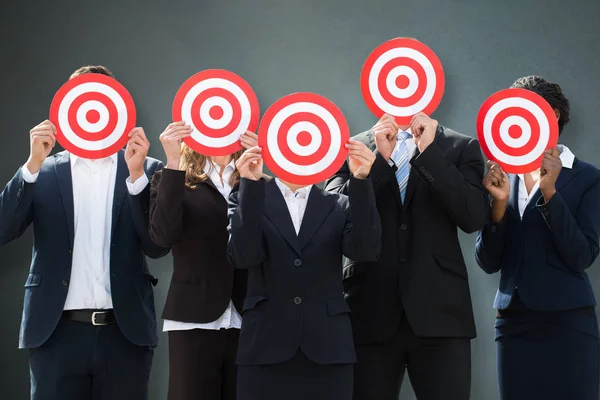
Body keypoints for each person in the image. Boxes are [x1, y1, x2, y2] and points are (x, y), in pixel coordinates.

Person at [0, 65, 169, 400]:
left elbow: (157, 247)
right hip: (55, 334)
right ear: (66, 108)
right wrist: (31, 166)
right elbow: (4, 229)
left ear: (117, 106)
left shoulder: (147, 168)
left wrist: (136, 179)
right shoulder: (43, 171)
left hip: (125, 335)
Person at [325, 110, 489, 398]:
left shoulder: (460, 146)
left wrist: (429, 154)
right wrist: (378, 162)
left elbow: (473, 217)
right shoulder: (353, 147)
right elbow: (336, 216)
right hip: (368, 310)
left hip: (441, 313)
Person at [475, 75, 600, 400]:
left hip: (569, 322)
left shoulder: (587, 177)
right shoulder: (503, 175)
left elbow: (581, 255)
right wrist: (498, 205)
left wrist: (550, 192)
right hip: (514, 323)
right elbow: (488, 262)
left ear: (554, 115)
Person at [227, 140, 382, 400]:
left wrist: (361, 180)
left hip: (328, 350)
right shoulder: (248, 195)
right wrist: (250, 185)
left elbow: (366, 250)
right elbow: (243, 256)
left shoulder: (339, 203)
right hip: (265, 347)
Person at [148, 123, 257, 400]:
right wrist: (173, 162)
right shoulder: (173, 178)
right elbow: (163, 236)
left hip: (248, 317)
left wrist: (252, 182)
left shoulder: (256, 180)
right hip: (193, 318)